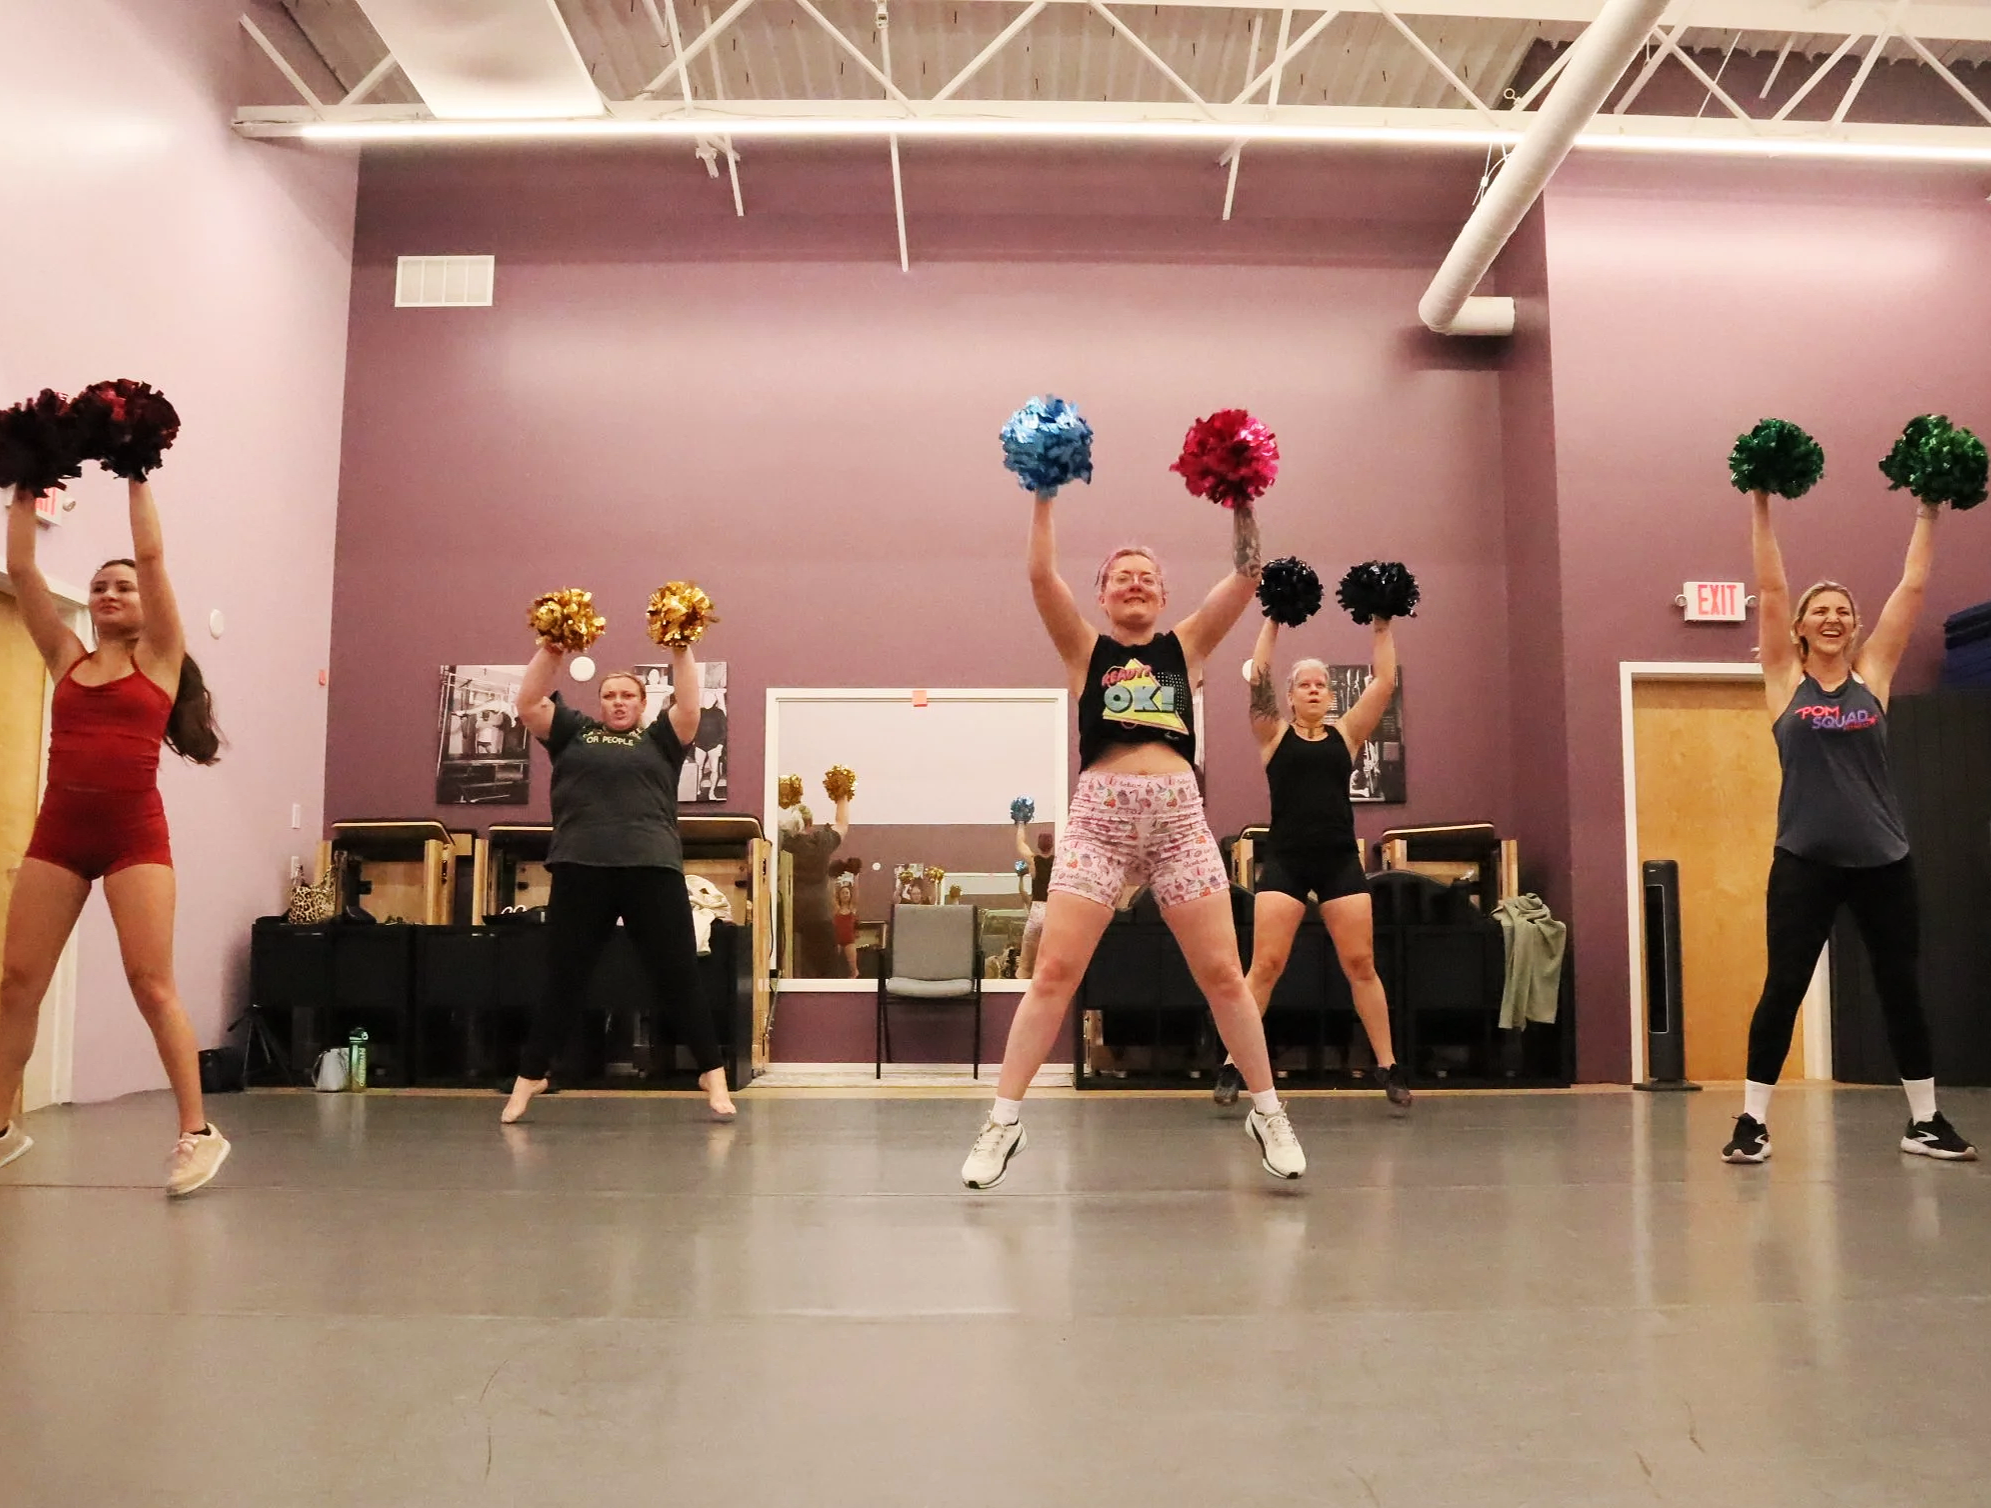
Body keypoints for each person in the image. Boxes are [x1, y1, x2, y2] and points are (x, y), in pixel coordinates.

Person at [960, 486, 1306, 1188]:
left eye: (1147, 575)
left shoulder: (1187, 646)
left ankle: (1269, 1113)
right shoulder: (1085, 650)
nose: (1136, 583)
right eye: (1122, 576)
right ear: (1103, 595)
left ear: (1164, 593)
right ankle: (1002, 1122)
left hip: (1178, 822)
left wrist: (1242, 497)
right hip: (1100, 822)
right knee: (1054, 972)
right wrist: (1043, 497)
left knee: (1223, 975)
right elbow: (1040, 576)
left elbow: (1247, 575)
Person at [1722, 487, 1975, 1164]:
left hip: (1883, 861)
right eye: (1820, 611)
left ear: (1855, 627)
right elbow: (1770, 587)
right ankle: (1751, 1123)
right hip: (1803, 860)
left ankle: (1924, 1121)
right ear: (1800, 628)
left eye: (1842, 611)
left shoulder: (1874, 677)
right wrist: (1760, 502)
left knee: (1900, 988)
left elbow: (1912, 587)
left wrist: (1928, 510)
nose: (1832, 618)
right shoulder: (1783, 680)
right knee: (1783, 987)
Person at [0, 481, 229, 1195]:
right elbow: (23, 569)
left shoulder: (158, 657)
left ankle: (197, 1132)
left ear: (145, 603)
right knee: (15, 984)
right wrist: (24, 484)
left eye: (121, 587)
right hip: (59, 836)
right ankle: (2, 1126)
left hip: (134, 838)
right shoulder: (66, 656)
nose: (108, 594)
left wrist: (136, 470)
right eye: (99, 586)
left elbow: (152, 556)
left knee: (151, 983)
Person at [501, 634, 736, 1124]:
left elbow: (689, 705)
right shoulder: (574, 733)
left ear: (643, 703)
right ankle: (529, 1078)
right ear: (600, 702)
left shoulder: (660, 740)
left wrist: (680, 646)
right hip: (581, 866)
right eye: (609, 695)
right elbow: (527, 703)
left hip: (651, 866)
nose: (618, 701)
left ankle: (713, 1075)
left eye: (628, 695)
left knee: (679, 975)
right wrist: (553, 649)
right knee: (563, 978)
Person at [1213, 614, 1411, 1110]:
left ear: (1331, 696)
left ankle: (1389, 1066)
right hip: (1286, 860)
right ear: (1291, 696)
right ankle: (1233, 1064)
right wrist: (1273, 621)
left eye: (1322, 684)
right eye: (1305, 684)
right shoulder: (1273, 734)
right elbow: (1258, 678)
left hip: (1339, 860)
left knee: (1361, 963)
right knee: (1265, 966)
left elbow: (1384, 683)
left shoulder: (1347, 735)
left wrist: (1382, 627)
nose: (1315, 690)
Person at [780, 796, 852, 978]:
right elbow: (842, 824)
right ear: (810, 823)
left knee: (788, 972)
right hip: (819, 915)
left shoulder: (783, 843)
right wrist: (842, 793)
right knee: (827, 974)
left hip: (789, 915)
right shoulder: (820, 842)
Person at [1013, 824, 1055, 979]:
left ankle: (1021, 985)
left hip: (1037, 910)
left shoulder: (1033, 861)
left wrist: (1021, 824)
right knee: (1050, 959)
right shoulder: (1058, 863)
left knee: (1025, 963)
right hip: (1053, 911)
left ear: (1038, 845)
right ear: (1052, 845)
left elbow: (1020, 844)